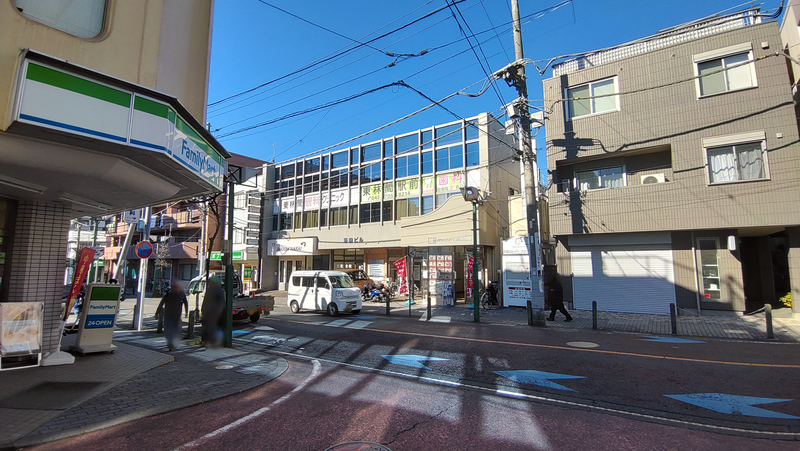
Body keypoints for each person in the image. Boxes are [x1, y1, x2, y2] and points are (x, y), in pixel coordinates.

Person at [156, 281, 188, 351]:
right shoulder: (179, 294)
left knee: (171, 330)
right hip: (173, 315)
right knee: (172, 330)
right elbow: (162, 303)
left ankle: (171, 343)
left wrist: (186, 312)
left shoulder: (172, 294)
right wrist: (186, 312)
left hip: (172, 315)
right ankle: (171, 343)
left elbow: (161, 303)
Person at [201, 276, 226, 348]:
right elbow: (206, 301)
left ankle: (211, 342)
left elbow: (220, 303)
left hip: (213, 313)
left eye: (211, 282)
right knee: (208, 328)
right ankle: (208, 342)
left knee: (211, 328)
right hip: (208, 313)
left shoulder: (218, 291)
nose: (210, 283)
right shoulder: (211, 290)